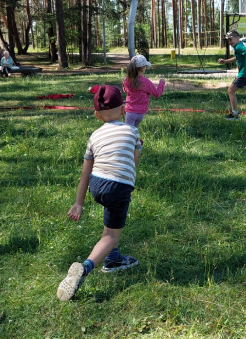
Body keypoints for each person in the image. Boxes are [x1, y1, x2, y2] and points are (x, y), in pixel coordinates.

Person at [56, 85, 143, 301]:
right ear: (123, 110)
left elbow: (85, 173)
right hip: (118, 185)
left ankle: (113, 260)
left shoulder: (94, 136)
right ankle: (84, 268)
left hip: (96, 184)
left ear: (96, 115)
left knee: (111, 219)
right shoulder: (132, 131)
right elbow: (133, 162)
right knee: (111, 235)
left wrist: (78, 203)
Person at [122, 54, 165, 128]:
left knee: (128, 132)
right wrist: (161, 83)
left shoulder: (127, 81)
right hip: (141, 113)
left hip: (130, 112)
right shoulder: (146, 82)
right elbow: (157, 94)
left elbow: (125, 90)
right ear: (142, 69)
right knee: (135, 130)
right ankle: (136, 139)